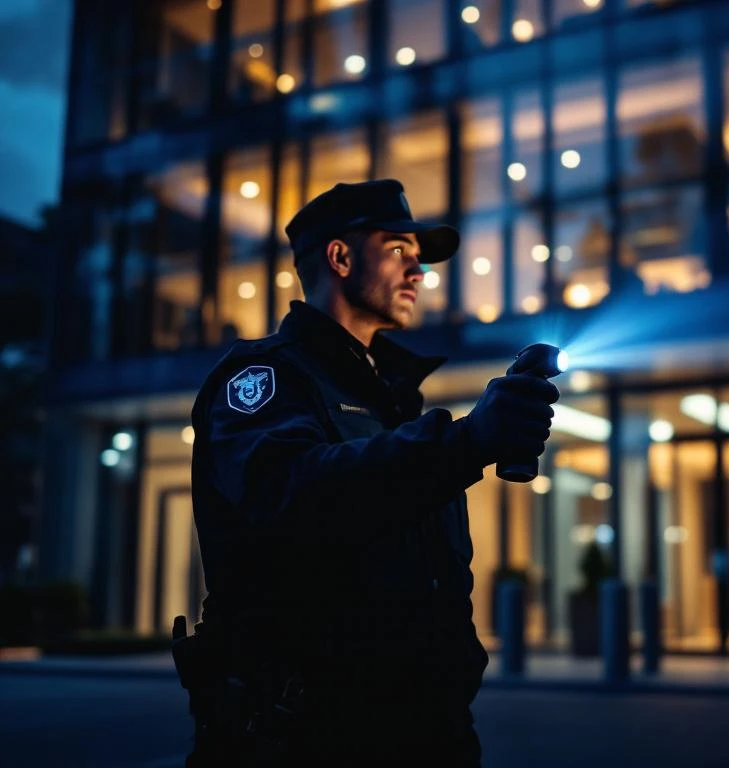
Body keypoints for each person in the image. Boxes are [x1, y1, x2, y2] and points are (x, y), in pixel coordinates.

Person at [180, 179, 559, 765]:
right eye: (399, 250)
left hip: (429, 731)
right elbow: (290, 493)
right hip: (307, 738)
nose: (420, 272)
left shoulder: (393, 398)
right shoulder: (265, 378)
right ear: (339, 256)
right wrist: (464, 441)